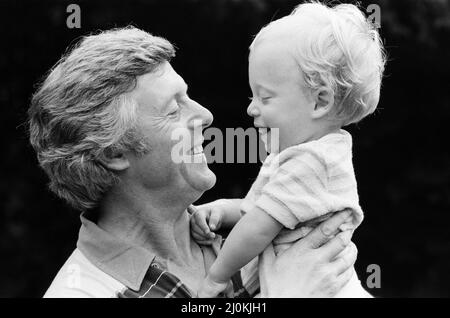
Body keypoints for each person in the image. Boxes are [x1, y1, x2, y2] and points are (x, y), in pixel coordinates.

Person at [28, 26, 358, 298]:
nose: (205, 115)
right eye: (174, 110)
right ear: (114, 154)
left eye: (188, 97)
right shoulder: (83, 292)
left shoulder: (254, 227)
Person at [192, 2, 385, 298]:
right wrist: (224, 210)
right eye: (252, 95)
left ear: (320, 102)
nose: (250, 107)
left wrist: (216, 277)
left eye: (265, 97)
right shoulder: (299, 154)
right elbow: (260, 212)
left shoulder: (315, 161)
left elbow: (258, 227)